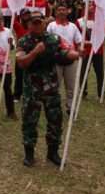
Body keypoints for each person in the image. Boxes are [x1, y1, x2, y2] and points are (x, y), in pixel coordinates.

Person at [16, 12, 80, 167]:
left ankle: (53, 152)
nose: (37, 25)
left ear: (44, 23)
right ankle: (29, 154)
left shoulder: (54, 39)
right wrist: (35, 52)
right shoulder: (24, 41)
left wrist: (76, 54)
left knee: (55, 121)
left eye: (39, 22)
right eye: (34, 22)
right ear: (30, 24)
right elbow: (21, 63)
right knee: (30, 122)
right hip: (32, 90)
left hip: (51, 89)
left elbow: (65, 52)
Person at [46, 4, 82, 114]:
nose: (61, 12)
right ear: (56, 12)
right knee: (55, 86)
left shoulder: (73, 26)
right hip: (56, 61)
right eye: (59, 10)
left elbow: (79, 41)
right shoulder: (51, 26)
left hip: (70, 61)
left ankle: (70, 107)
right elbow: (46, 41)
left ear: (68, 12)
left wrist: (80, 50)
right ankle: (54, 106)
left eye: (64, 9)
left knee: (71, 86)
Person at [13, 9, 32, 100]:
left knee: (31, 74)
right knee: (19, 75)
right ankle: (17, 94)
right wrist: (16, 8)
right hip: (21, 53)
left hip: (31, 53)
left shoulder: (33, 26)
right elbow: (13, 20)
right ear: (21, 16)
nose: (27, 16)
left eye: (28, 14)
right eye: (24, 15)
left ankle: (30, 93)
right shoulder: (18, 26)